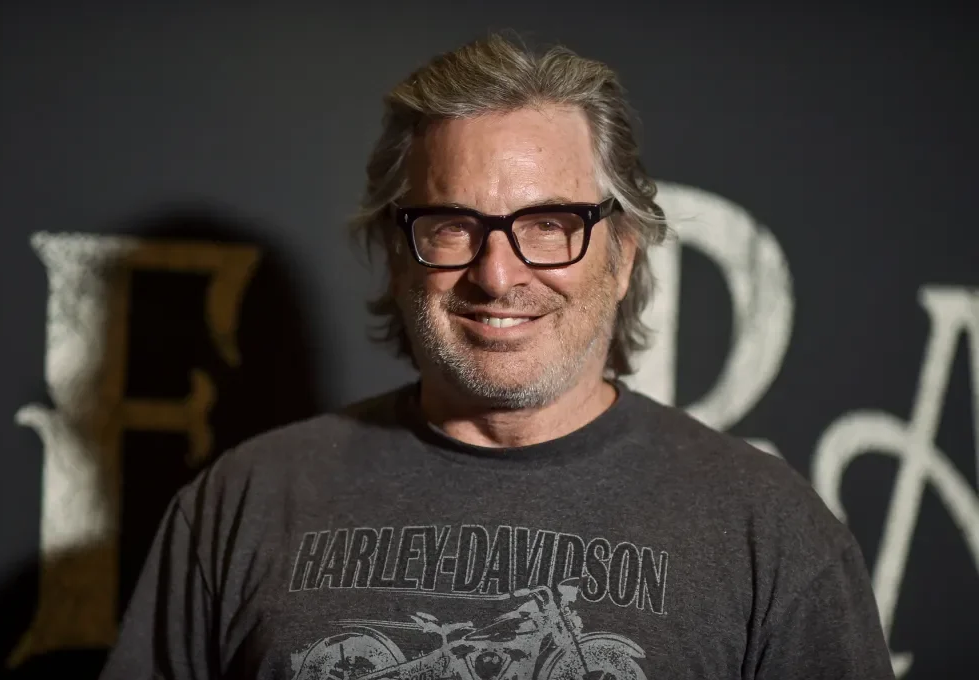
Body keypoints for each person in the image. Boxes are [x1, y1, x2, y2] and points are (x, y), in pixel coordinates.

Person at [99, 33, 894, 680]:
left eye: (549, 224)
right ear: (398, 254)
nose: (498, 275)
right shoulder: (244, 501)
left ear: (622, 255)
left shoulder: (770, 532)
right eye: (452, 225)